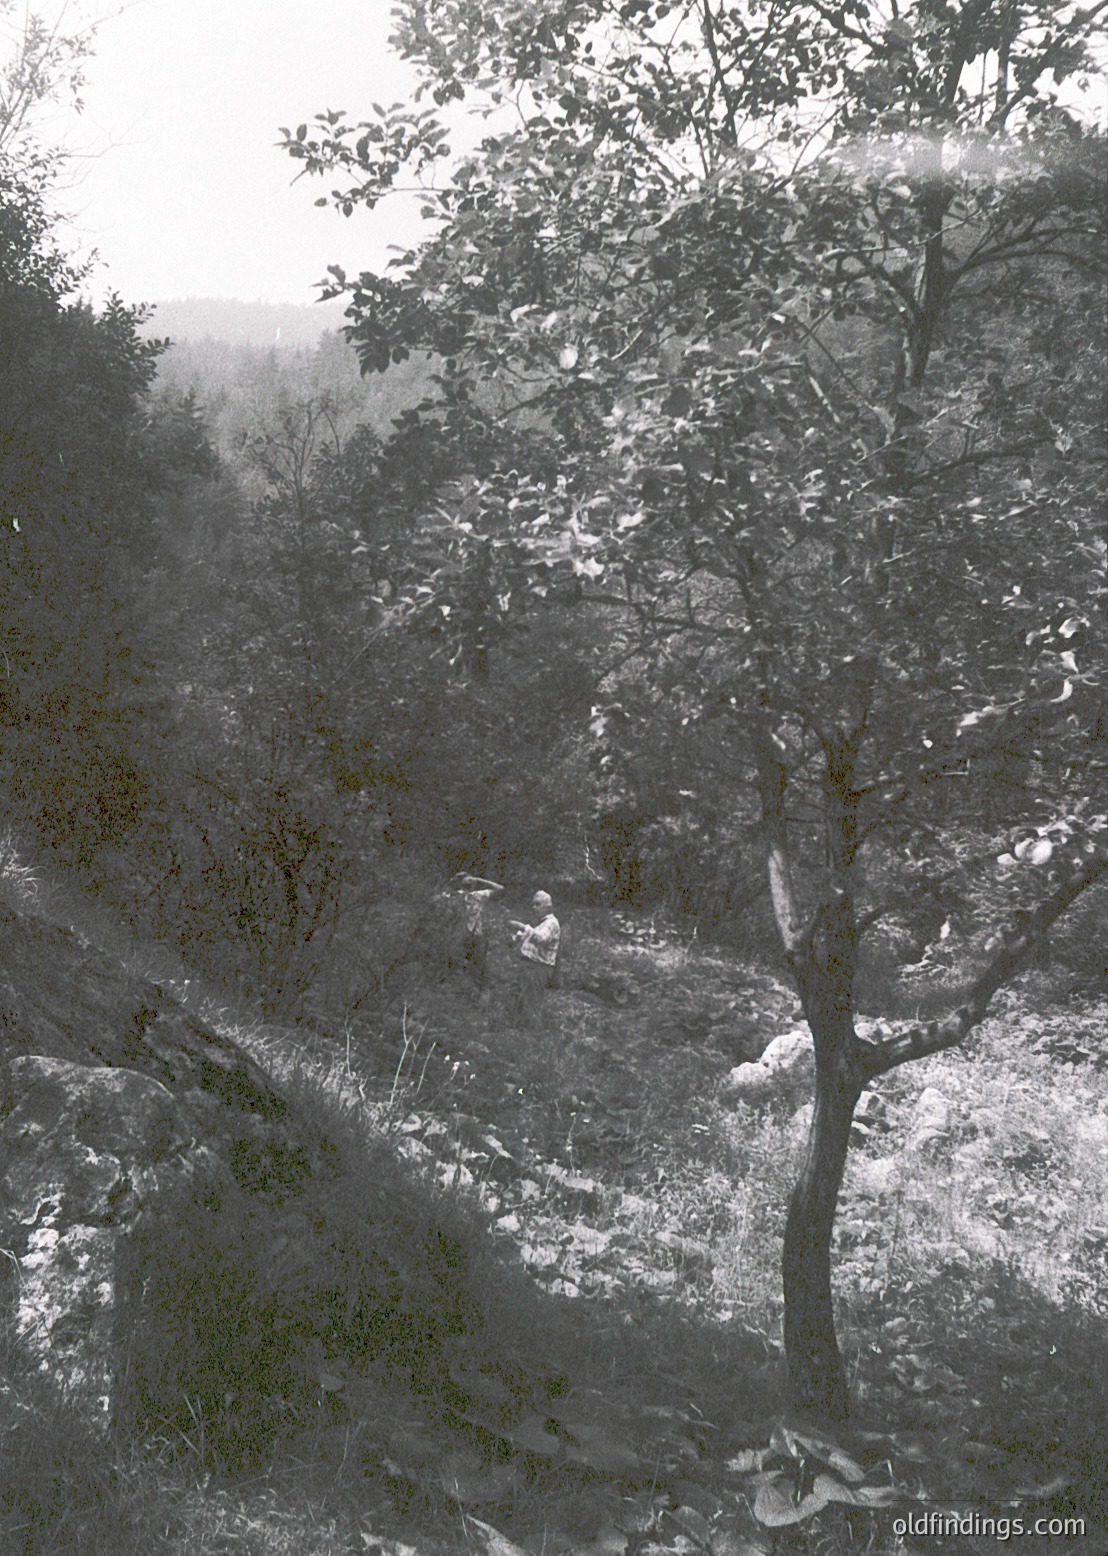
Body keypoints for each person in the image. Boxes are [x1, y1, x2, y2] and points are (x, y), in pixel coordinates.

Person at [446, 872, 504, 990]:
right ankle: (475, 990)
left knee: (473, 968)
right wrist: (479, 880)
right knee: (470, 968)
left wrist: (476, 880)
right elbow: (500, 889)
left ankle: (477, 992)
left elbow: (501, 890)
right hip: (465, 937)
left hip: (466, 937)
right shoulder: (472, 896)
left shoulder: (473, 896)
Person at [510, 890, 561, 1020]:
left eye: (538, 904)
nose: (534, 908)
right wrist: (516, 937)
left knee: (532, 1003)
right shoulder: (542, 923)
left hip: (538, 967)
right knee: (519, 998)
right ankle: (517, 1030)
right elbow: (533, 936)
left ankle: (532, 1034)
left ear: (547, 907)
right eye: (533, 904)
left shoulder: (552, 923)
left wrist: (522, 927)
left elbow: (542, 938)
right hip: (529, 966)